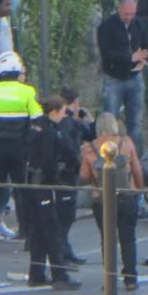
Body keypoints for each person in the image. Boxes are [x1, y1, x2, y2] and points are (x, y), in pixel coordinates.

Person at [80, 112, 144, 291]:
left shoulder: (89, 148)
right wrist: (139, 189)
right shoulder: (126, 143)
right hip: (126, 196)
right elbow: (137, 170)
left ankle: (109, 280)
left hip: (101, 199)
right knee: (128, 238)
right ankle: (131, 278)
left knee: (107, 239)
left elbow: (84, 176)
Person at [26, 95, 82, 289]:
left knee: (39, 230)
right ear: (54, 112)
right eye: (62, 112)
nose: (64, 115)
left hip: (31, 184)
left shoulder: (35, 125)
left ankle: (36, 274)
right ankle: (59, 275)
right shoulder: (49, 132)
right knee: (52, 230)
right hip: (44, 186)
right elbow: (48, 160)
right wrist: (55, 181)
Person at [0, 52, 42, 244]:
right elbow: (38, 120)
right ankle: (27, 231)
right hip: (20, 148)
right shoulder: (27, 91)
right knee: (22, 189)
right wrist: (28, 139)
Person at [97, 0, 148, 156]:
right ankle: (109, 158)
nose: (129, 17)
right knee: (110, 123)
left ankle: (136, 158)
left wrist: (145, 59)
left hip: (135, 78)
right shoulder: (107, 26)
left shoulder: (139, 23)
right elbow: (106, 53)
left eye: (132, 14)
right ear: (119, 9)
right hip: (114, 79)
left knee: (136, 124)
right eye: (126, 14)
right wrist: (130, 57)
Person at [56, 86, 96, 266]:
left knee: (63, 215)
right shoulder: (72, 122)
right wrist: (89, 120)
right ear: (74, 103)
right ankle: (62, 253)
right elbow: (91, 135)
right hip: (68, 173)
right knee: (66, 215)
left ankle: (65, 250)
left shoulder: (56, 121)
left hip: (58, 173)